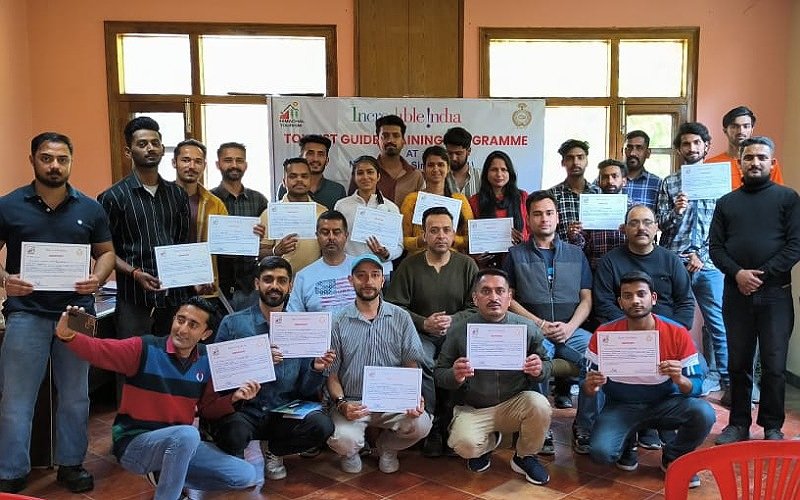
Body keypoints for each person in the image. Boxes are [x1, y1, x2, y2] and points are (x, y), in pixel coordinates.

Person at [54, 297, 262, 500]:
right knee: (188, 434)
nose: (182, 329)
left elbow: (208, 408)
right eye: (180, 320)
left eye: (193, 325)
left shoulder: (205, 361)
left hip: (180, 444)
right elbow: (101, 350)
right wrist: (70, 337)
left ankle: (166, 474)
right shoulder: (144, 348)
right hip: (135, 443)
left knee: (245, 475)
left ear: (205, 334)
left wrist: (233, 399)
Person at [0, 133, 116, 494]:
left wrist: (98, 278)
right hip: (26, 313)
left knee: (76, 396)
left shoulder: (90, 208)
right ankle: (11, 470)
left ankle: (71, 465)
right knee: (16, 398)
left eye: (62, 159)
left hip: (77, 313)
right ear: (32, 160)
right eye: (47, 158)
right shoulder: (8, 205)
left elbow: (106, 252)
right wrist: (5, 280)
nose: (54, 165)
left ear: (70, 162)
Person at [207, 257, 335, 480]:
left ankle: (274, 451)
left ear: (290, 286)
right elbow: (219, 376)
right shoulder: (232, 323)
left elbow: (305, 389)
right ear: (257, 283)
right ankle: (237, 453)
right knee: (232, 434)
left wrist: (316, 368)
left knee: (322, 426)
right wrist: (258, 362)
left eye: (281, 280)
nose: (274, 286)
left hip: (283, 411)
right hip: (245, 410)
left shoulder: (301, 328)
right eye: (268, 279)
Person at [585, 271, 714, 490]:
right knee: (601, 453)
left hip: (666, 402)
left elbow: (697, 386)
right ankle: (627, 443)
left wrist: (679, 378)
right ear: (620, 302)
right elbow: (588, 387)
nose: (635, 300)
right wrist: (590, 386)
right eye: (628, 296)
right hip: (621, 405)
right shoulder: (604, 334)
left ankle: (673, 456)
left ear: (653, 298)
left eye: (641, 294)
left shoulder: (677, 332)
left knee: (704, 413)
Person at [710, 137, 800, 444]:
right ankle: (738, 423)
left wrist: (761, 275)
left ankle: (772, 426)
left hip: (775, 294)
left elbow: (795, 245)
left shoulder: (788, 198)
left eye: (762, 157)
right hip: (736, 293)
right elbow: (715, 248)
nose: (755, 162)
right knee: (738, 363)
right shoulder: (726, 203)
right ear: (740, 163)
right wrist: (738, 274)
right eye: (749, 157)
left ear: (772, 163)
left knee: (774, 365)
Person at [434, 269, 553, 485]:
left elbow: (547, 364)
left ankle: (525, 456)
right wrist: (455, 375)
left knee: (540, 405)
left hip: (514, 404)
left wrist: (539, 369)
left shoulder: (527, 328)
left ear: (509, 297)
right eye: (486, 291)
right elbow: (439, 372)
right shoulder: (459, 330)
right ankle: (488, 443)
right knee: (464, 445)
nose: (494, 297)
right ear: (475, 298)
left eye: (500, 291)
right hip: (474, 407)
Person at [385, 206, 479, 456]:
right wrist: (424, 322)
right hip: (420, 334)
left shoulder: (467, 265)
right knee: (421, 360)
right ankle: (432, 423)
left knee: (458, 364)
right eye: (434, 230)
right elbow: (394, 306)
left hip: (456, 334)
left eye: (446, 230)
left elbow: (475, 307)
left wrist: (452, 320)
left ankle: (452, 422)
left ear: (454, 235)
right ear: (424, 235)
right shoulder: (410, 265)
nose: (441, 236)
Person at [504, 191, 593, 453]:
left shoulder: (576, 254)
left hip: (571, 329)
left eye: (549, 213)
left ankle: (585, 426)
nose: (544, 218)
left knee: (598, 358)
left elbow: (586, 298)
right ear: (528, 219)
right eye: (537, 214)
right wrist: (540, 324)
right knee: (536, 361)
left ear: (557, 217)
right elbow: (508, 298)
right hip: (534, 330)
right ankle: (539, 428)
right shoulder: (515, 255)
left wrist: (570, 326)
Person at [326, 254, 431, 474]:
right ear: (351, 280)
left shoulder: (401, 317)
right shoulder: (337, 321)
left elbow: (410, 361)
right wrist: (342, 403)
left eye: (375, 275)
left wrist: (413, 395)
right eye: (361, 276)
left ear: (383, 280)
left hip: (393, 401)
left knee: (421, 424)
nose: (368, 281)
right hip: (353, 401)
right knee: (342, 439)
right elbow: (332, 374)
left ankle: (387, 447)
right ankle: (351, 451)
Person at [98, 116, 191, 338]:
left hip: (173, 296)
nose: (150, 148)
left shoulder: (177, 194)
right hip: (133, 299)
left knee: (173, 354)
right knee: (133, 356)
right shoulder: (113, 197)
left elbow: (182, 243)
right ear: (128, 151)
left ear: (162, 148)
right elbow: (104, 252)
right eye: (142, 144)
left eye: (155, 143)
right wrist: (135, 273)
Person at [657, 122, 729, 399]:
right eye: (686, 143)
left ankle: (728, 383)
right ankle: (675, 379)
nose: (691, 148)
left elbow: (724, 228)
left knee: (718, 324)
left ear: (706, 146)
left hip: (709, 265)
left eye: (697, 142)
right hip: (674, 262)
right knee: (670, 323)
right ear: (679, 149)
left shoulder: (719, 182)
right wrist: (676, 211)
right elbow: (660, 224)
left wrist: (703, 255)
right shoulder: (670, 183)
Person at [593, 205, 695, 329]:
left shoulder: (671, 260)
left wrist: (671, 331)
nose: (641, 228)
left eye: (647, 223)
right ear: (625, 229)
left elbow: (685, 303)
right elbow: (603, 304)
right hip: (623, 333)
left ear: (656, 227)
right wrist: (634, 330)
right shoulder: (609, 262)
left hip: (667, 330)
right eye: (634, 223)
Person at [211, 142, 270, 311]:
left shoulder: (259, 200)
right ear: (218, 164)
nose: (234, 165)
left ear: (246, 165)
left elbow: (267, 244)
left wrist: (262, 235)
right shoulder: (209, 199)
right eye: (228, 160)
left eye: (239, 160)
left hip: (250, 283)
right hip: (217, 285)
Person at [333, 155, 403, 277]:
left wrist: (386, 253)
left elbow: (399, 246)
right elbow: (336, 238)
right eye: (360, 173)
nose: (365, 177)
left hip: (381, 273)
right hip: (348, 272)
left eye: (370, 172)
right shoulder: (342, 206)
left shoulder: (391, 208)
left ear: (378, 176)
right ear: (354, 177)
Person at [400, 145, 474, 254]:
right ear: (424, 169)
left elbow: (471, 238)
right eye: (431, 165)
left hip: (452, 259)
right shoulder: (412, 199)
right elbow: (402, 239)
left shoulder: (459, 200)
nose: (435, 169)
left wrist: (450, 239)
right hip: (419, 259)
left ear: (448, 168)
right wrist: (420, 240)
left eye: (440, 165)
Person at [259, 158, 327, 274]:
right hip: (281, 281)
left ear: (310, 180)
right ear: (284, 182)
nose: (299, 180)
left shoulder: (322, 212)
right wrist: (276, 251)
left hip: (313, 279)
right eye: (293, 176)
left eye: (304, 176)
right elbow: (259, 254)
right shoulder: (270, 213)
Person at [468, 150, 529, 269]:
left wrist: (524, 240)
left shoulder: (523, 197)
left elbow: (532, 231)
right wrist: (475, 255)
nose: (499, 174)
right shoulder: (474, 201)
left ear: (510, 173)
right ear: (486, 173)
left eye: (504, 170)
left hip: (520, 264)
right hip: (487, 267)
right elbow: (469, 236)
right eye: (494, 170)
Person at [286, 210, 356, 313]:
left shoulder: (361, 269)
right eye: (325, 233)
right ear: (317, 236)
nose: (331, 237)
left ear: (346, 235)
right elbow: (293, 317)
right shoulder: (303, 277)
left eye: (336, 232)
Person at [567, 159, 629, 270]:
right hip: (595, 269)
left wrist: (630, 233)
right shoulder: (587, 207)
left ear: (624, 181)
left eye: (614, 176)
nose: (610, 181)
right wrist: (574, 235)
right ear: (599, 181)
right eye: (605, 177)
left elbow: (642, 244)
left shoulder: (634, 210)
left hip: (625, 268)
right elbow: (581, 246)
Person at [348, 115, 423, 205]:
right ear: (377, 141)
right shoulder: (363, 174)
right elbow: (351, 205)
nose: (390, 140)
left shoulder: (415, 176)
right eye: (385, 136)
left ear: (403, 141)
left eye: (396, 136)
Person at [706, 106, 784, 190]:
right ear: (725, 131)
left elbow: (778, 194)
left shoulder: (767, 164)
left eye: (746, 126)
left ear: (752, 129)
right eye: (735, 126)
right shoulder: (710, 165)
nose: (741, 131)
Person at [547, 139, 600, 241]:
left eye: (580, 157)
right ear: (563, 162)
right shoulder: (551, 195)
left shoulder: (598, 193)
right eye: (570, 158)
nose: (575, 162)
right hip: (563, 250)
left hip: (595, 250)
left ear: (587, 161)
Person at [277, 134, 346, 209]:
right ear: (301, 157)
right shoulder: (286, 188)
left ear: (327, 160)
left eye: (320, 154)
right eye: (310, 153)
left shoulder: (337, 190)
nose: (315, 159)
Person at [623, 130, 661, 212]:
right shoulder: (609, 179)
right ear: (624, 151)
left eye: (639, 148)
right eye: (629, 148)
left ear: (648, 153)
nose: (632, 153)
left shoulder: (658, 184)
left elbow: (661, 216)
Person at [443, 126, 482, 198]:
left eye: (458, 153)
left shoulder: (481, 177)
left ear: (468, 151)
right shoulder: (440, 176)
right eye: (450, 153)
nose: (453, 158)